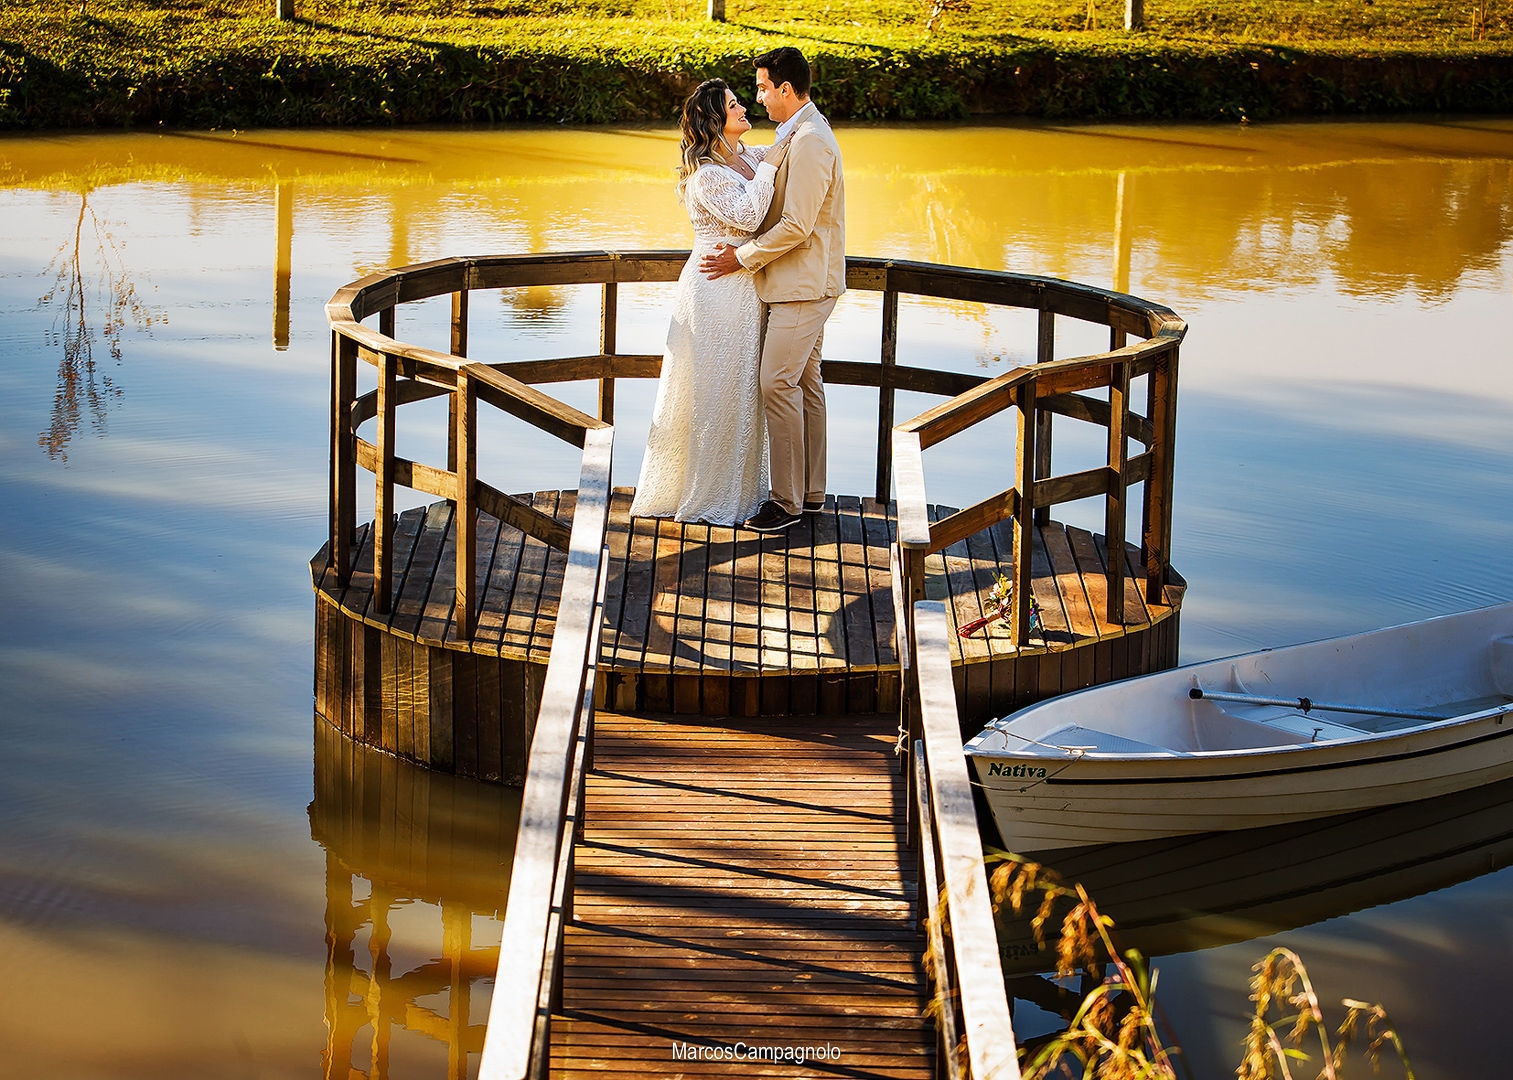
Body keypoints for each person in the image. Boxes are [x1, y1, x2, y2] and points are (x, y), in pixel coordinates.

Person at [629, 79, 792, 525]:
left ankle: (741, 489)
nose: (743, 108)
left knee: (742, 388)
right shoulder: (706, 176)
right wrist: (769, 168)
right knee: (715, 388)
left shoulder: (747, 157)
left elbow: (779, 156)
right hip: (714, 288)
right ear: (715, 121)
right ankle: (708, 493)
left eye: (741, 100)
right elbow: (748, 215)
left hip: (746, 286)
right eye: (733, 105)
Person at [701, 46, 846, 534]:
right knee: (804, 383)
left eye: (762, 88)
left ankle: (785, 503)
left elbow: (797, 225)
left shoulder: (809, 140)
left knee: (775, 382)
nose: (758, 98)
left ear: (786, 89)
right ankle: (811, 494)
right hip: (799, 281)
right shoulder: (795, 134)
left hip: (803, 284)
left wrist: (740, 257)